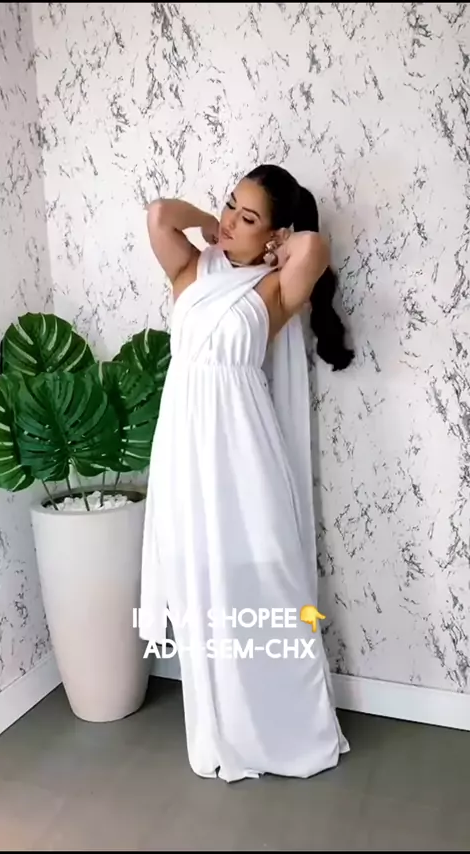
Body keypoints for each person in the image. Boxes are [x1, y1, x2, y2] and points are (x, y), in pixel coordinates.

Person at [139, 163, 353, 783]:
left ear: (275, 234)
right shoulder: (192, 270)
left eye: (248, 216)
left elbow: (314, 247)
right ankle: (223, 726)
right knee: (201, 582)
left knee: (268, 580)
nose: (232, 221)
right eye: (230, 205)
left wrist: (280, 245)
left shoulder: (275, 289)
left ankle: (289, 729)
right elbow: (160, 215)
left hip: (244, 452)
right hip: (184, 453)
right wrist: (212, 223)